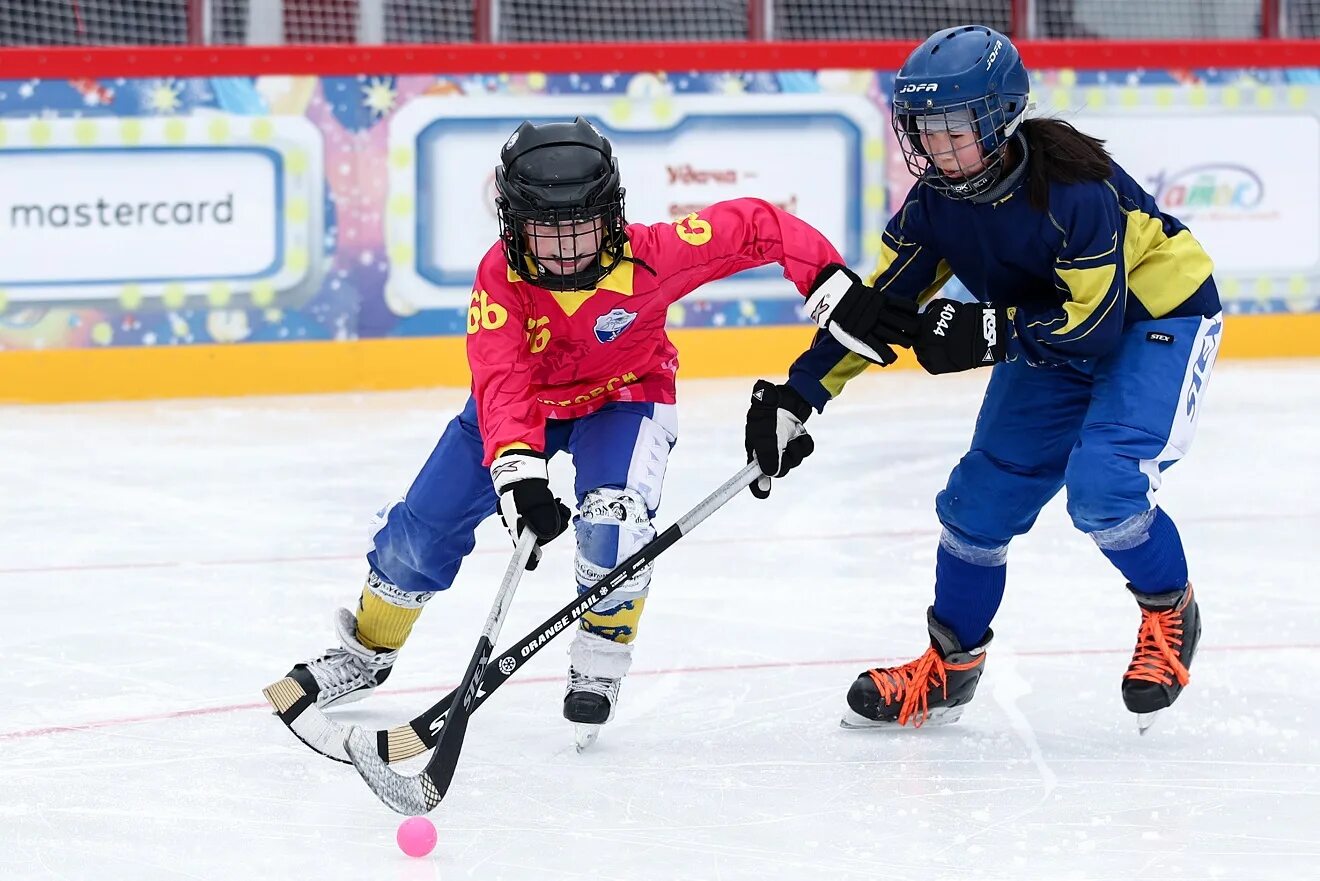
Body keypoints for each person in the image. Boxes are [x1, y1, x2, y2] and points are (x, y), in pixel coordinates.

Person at [265, 117, 863, 749]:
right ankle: (366, 653)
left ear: (611, 217)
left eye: (580, 230)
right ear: (511, 224)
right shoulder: (501, 278)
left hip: (626, 400)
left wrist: (826, 284)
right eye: (544, 233)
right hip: (525, 410)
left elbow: (759, 225)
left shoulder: (655, 254)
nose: (565, 252)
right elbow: (500, 378)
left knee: (615, 522)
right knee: (419, 531)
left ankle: (601, 661)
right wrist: (519, 477)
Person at [744, 25, 1223, 733]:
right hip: (1055, 329)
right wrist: (798, 394)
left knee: (1104, 487)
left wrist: (987, 330)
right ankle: (952, 661)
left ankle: (1169, 608)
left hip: (1156, 322)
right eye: (923, 131)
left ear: (1000, 119)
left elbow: (1092, 324)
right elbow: (878, 309)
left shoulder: (1074, 189)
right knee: (977, 504)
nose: (936, 147)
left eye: (952, 128)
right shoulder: (936, 205)